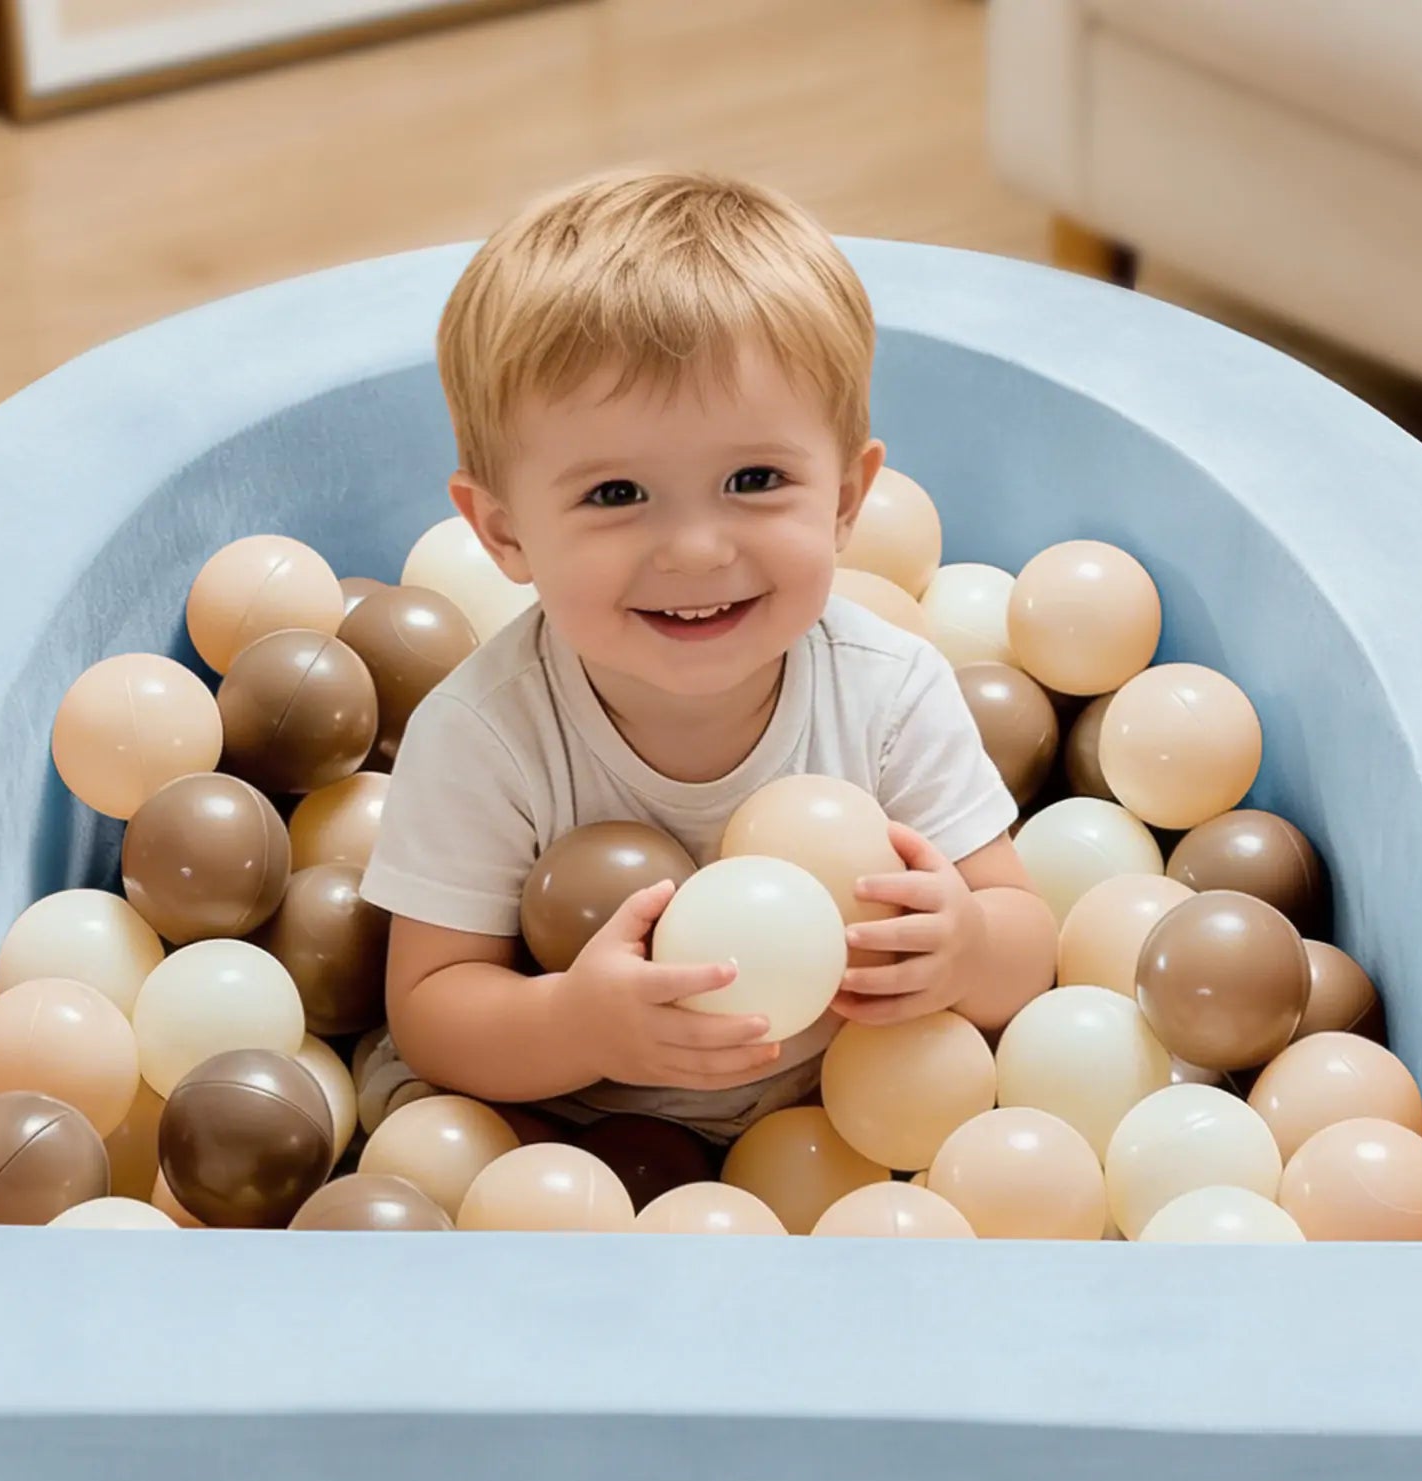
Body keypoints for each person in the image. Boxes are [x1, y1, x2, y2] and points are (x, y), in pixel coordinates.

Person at [359, 168, 1056, 1141]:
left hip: (843, 1127)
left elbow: (1027, 945)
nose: (694, 548)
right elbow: (431, 1007)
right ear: (503, 532)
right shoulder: (485, 734)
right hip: (559, 1137)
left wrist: (963, 946)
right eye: (615, 494)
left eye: (754, 478)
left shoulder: (890, 693)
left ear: (848, 500)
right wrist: (578, 1025)